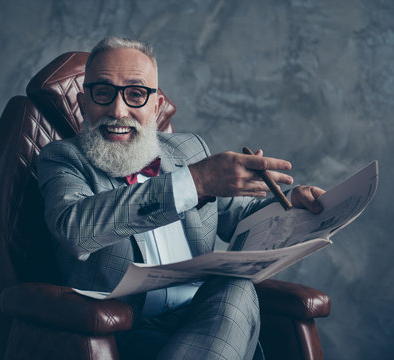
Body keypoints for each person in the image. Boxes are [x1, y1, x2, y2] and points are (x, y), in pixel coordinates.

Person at [37, 37, 325, 360]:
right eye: (103, 93)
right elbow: (74, 230)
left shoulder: (190, 150)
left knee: (238, 289)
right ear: (82, 102)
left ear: (156, 106)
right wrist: (196, 182)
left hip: (208, 319)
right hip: (124, 333)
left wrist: (290, 207)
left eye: (135, 94)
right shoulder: (62, 159)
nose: (118, 110)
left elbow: (241, 218)